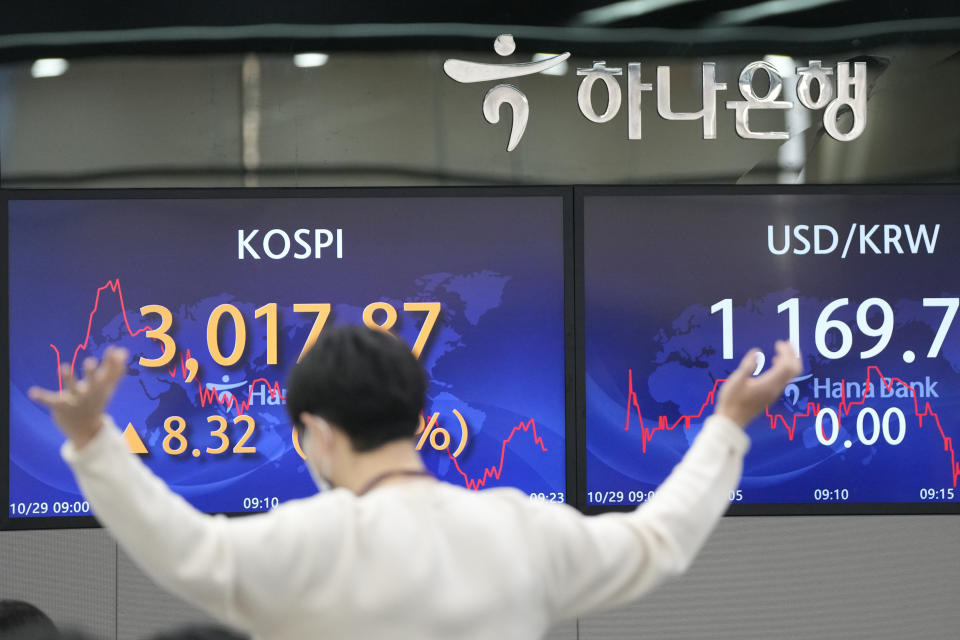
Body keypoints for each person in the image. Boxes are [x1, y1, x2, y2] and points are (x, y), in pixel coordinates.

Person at [29, 327, 802, 640]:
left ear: (319, 436)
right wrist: (728, 422)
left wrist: (95, 442)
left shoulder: (304, 545)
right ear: (415, 416)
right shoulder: (519, 531)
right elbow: (660, 539)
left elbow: (178, 544)